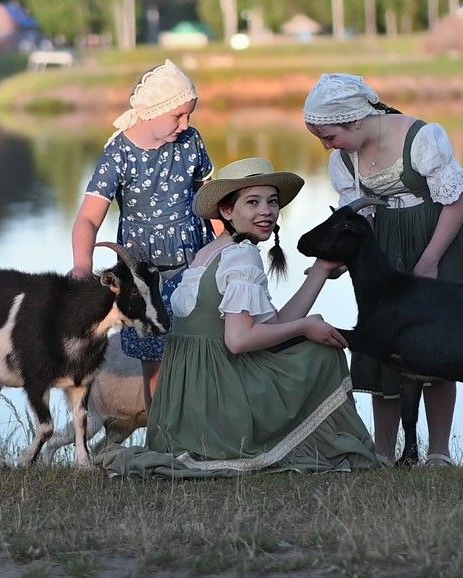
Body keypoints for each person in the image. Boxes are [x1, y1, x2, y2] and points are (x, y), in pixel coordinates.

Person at [95, 158, 385, 478]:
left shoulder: (211, 253)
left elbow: (271, 326)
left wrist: (320, 270)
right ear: (227, 211)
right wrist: (306, 326)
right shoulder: (241, 256)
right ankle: (316, 443)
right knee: (322, 354)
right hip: (219, 395)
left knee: (309, 341)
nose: (266, 211)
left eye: (272, 202)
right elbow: (238, 341)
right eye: (253, 202)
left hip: (184, 403)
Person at [303, 73, 463, 466]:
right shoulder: (344, 160)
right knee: (382, 341)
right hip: (382, 249)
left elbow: (456, 204)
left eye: (328, 136)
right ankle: (382, 451)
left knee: (436, 344)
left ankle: (438, 452)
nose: (326, 146)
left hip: (436, 240)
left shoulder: (421, 139)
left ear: (354, 119)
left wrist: (430, 260)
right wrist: (338, 263)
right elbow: (354, 218)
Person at [70, 59, 220, 414]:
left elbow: (211, 202)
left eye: (189, 116)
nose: (185, 125)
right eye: (178, 116)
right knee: (155, 368)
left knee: (202, 352)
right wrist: (81, 265)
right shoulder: (118, 155)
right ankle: (162, 440)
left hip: (194, 266)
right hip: (143, 280)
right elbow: (88, 219)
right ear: (152, 112)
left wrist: (225, 248)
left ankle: (206, 437)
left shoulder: (190, 143)